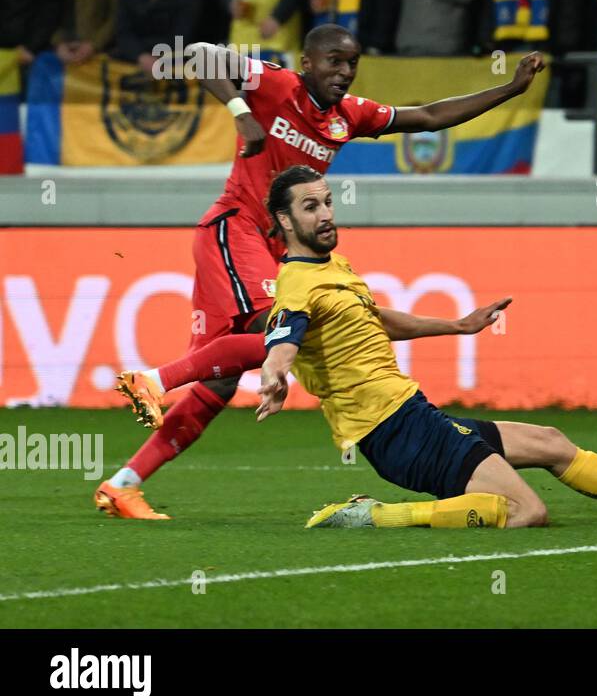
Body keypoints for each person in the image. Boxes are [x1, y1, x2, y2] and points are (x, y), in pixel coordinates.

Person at [99, 29, 550, 520]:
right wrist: (242, 113)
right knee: (284, 332)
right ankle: (151, 380)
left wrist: (509, 90)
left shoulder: (349, 115)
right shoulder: (273, 85)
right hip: (236, 229)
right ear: (307, 62)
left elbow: (429, 116)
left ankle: (123, 484)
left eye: (352, 62)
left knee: (222, 379)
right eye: (334, 61)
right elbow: (198, 55)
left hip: (272, 248)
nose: (344, 71)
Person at [254, 165, 597, 530]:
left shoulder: (334, 267)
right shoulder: (295, 282)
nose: (326, 214)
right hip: (392, 430)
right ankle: (376, 515)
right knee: (527, 510)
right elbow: (283, 336)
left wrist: (458, 326)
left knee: (551, 442)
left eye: (328, 202)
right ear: (285, 219)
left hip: (412, 416)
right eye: (310, 207)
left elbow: (376, 320)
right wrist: (276, 372)